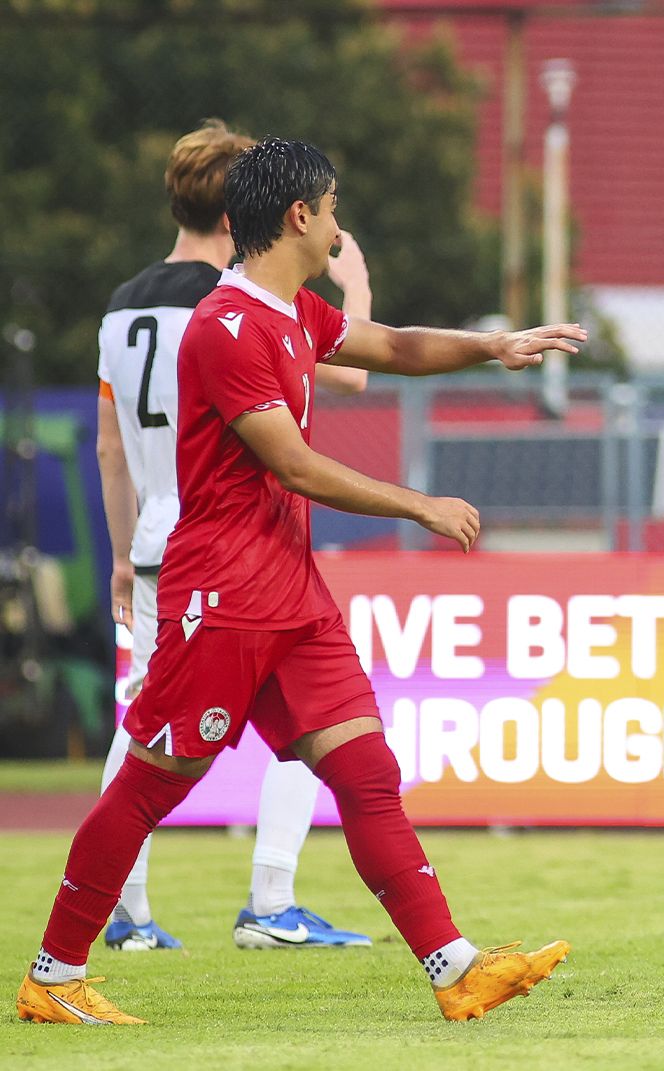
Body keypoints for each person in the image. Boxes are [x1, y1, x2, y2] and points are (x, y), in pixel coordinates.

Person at [18, 135, 586, 1025]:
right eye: (330, 209)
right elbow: (295, 465)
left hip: (292, 594)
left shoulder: (294, 311)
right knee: (153, 780)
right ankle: (54, 975)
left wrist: (498, 346)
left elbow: (391, 343)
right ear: (298, 217)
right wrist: (420, 504)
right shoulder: (225, 324)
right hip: (224, 597)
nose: (337, 226)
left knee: (367, 772)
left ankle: (455, 966)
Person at [95, 119, 371, 954]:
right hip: (228, 539)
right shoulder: (234, 303)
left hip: (152, 537)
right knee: (304, 712)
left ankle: (131, 912)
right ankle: (272, 899)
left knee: (140, 726)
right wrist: (354, 283)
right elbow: (353, 371)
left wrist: (118, 551)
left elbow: (111, 443)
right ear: (242, 209)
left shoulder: (123, 303)